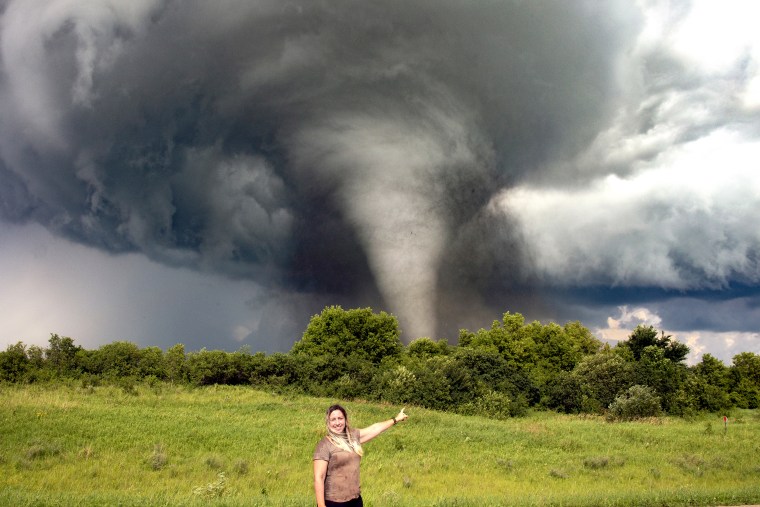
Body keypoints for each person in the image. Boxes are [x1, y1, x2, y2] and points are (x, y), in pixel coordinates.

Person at [313, 404, 408, 507]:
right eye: (333, 419)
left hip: (355, 500)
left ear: (345, 420)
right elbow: (319, 477)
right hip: (334, 502)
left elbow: (375, 428)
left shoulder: (353, 436)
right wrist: (321, 505)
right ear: (328, 422)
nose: (337, 423)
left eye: (340, 418)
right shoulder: (324, 445)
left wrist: (396, 419)